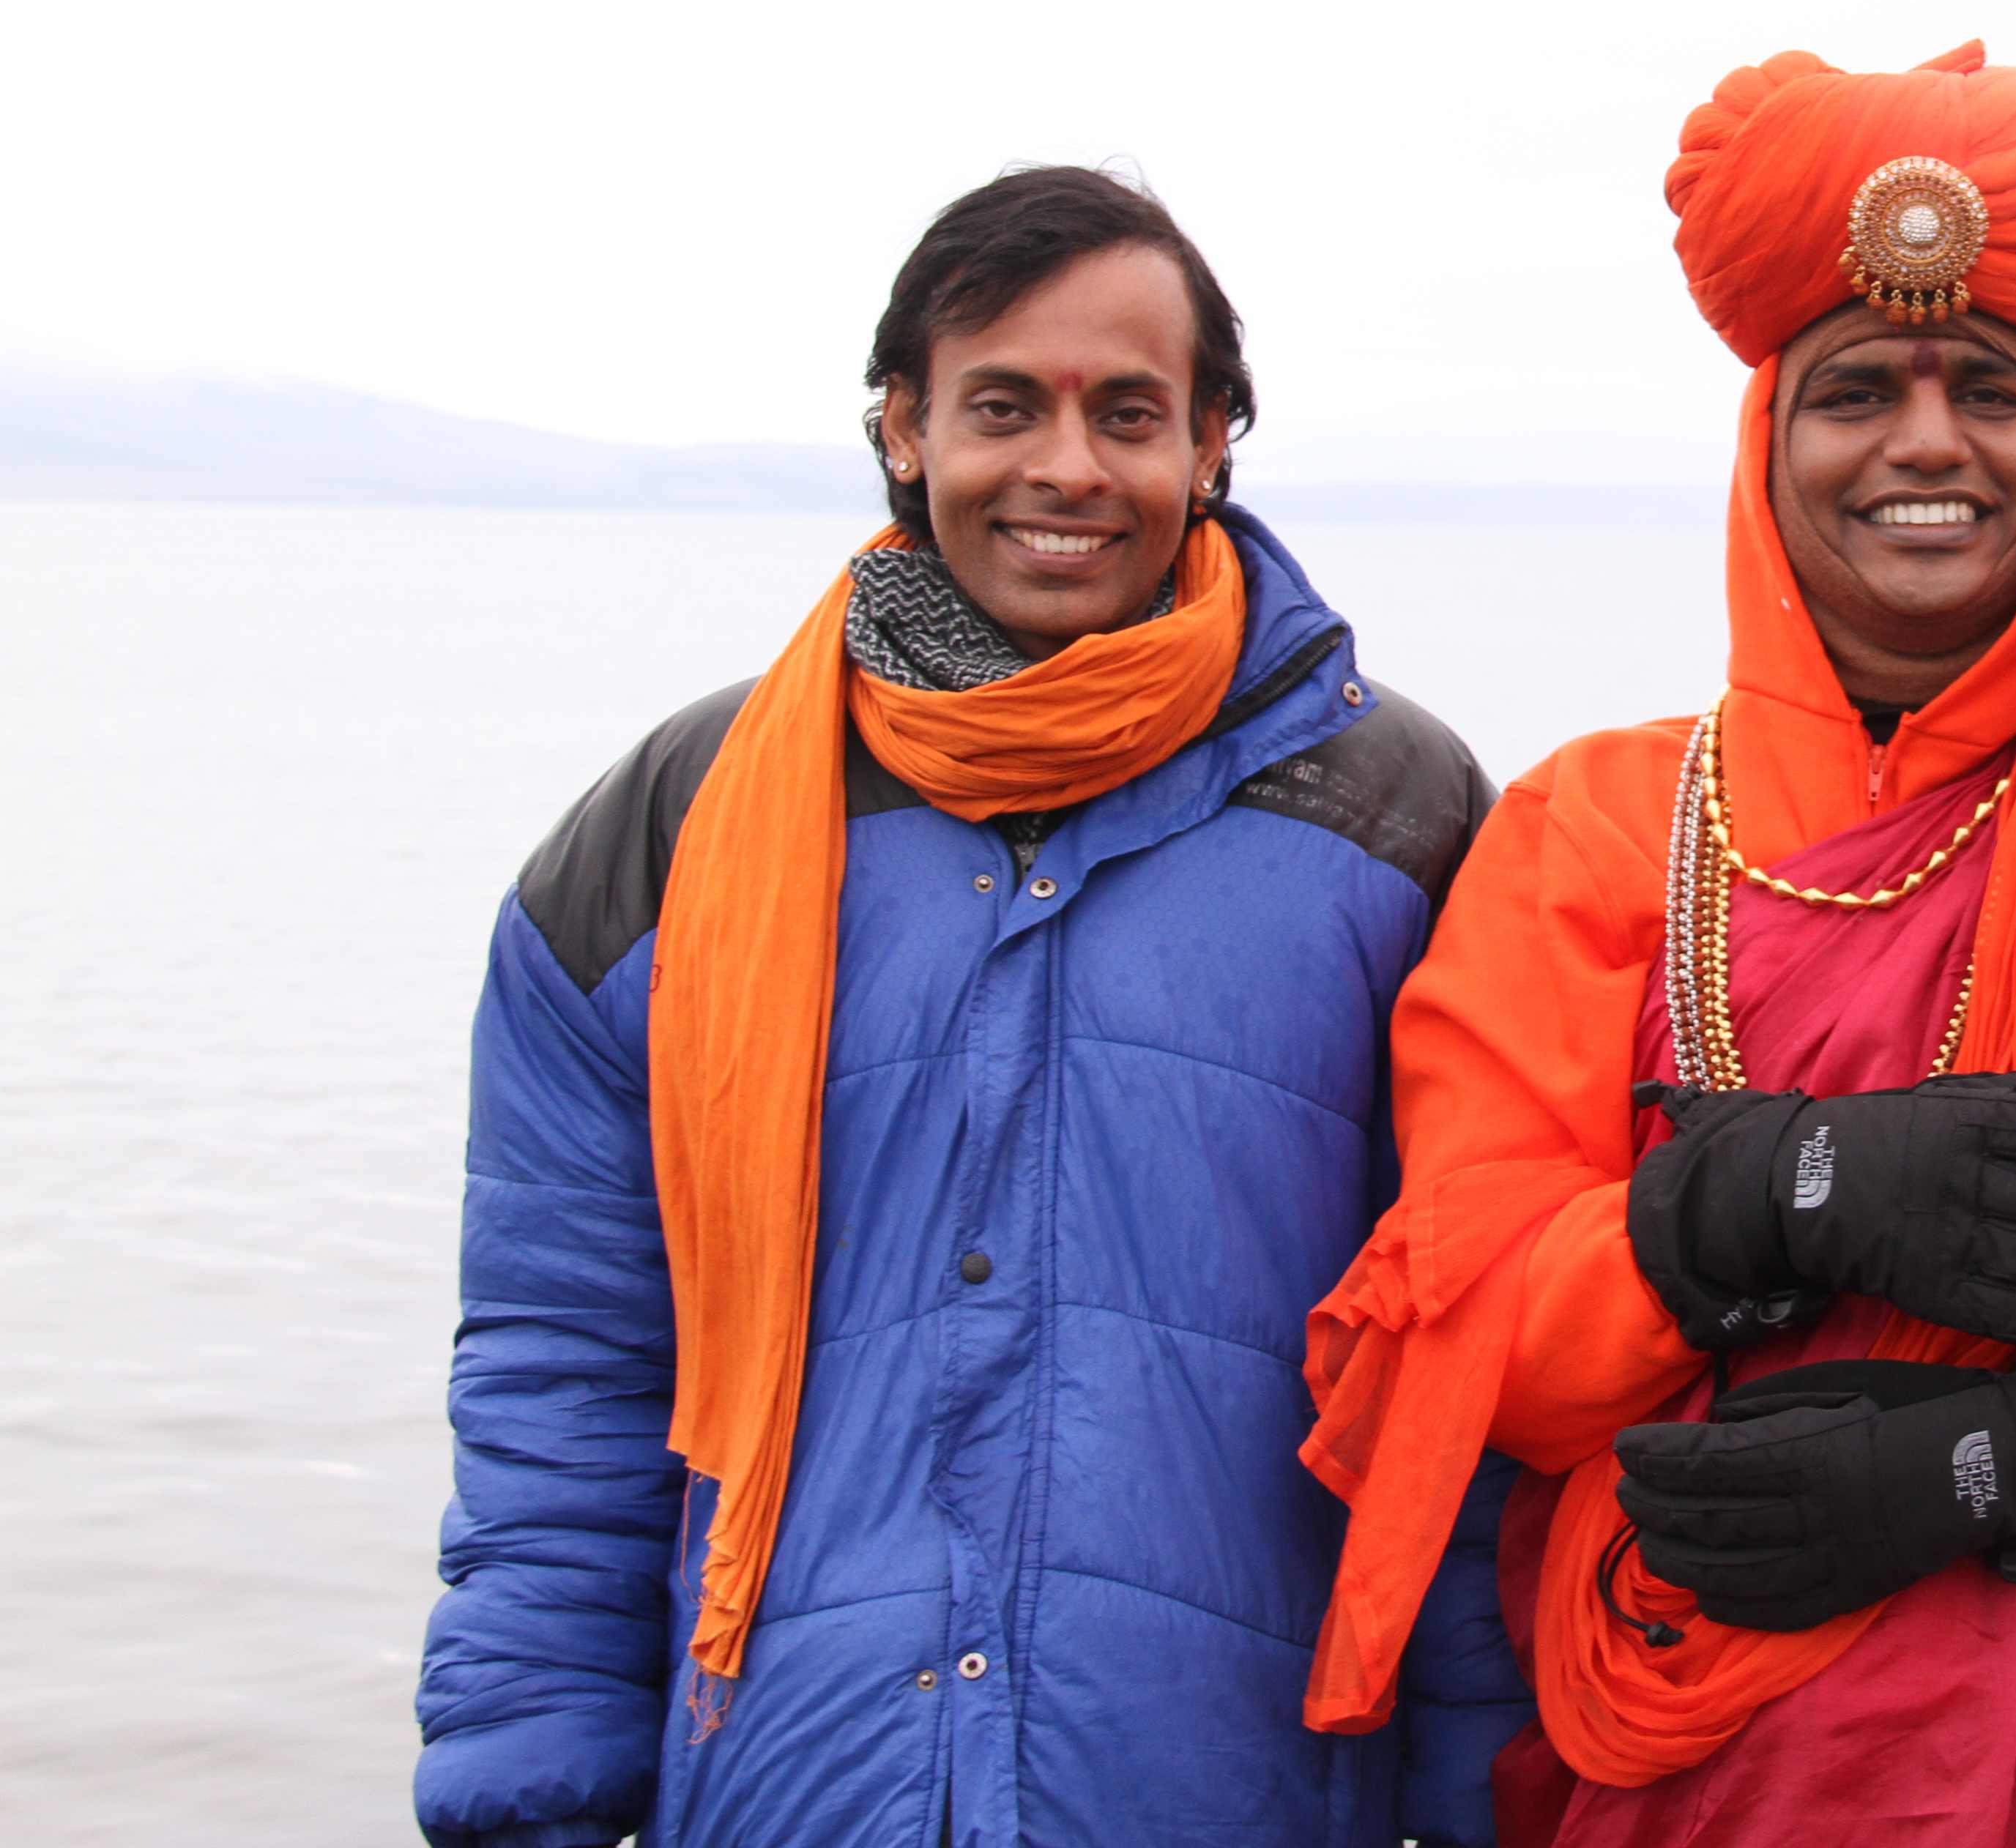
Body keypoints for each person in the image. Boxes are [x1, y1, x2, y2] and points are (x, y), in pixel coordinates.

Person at [1295, 42, 2016, 1844]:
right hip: (1666, 1773)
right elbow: (1471, 1345)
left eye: (1988, 388)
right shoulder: (1592, 828)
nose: (1926, 443)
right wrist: (1759, 1203)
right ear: (1767, 447)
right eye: (1857, 391)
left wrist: (1998, 1462)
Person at [412, 167, 1525, 1848]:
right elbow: (565, 1367)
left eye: (1128, 412)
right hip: (793, 1785)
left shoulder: (1396, 822)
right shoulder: (675, 835)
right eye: (1003, 405)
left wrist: (1498, 1795)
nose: (1066, 467)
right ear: (903, 426)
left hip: (1224, 1790)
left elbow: (1472, 1380)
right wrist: (527, 1800)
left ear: (1211, 442)